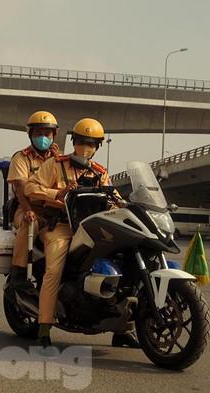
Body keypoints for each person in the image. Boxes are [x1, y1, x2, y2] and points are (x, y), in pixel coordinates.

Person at [25, 117, 138, 352]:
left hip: (94, 228)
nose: (85, 148)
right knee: (53, 270)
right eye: (82, 142)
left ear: (97, 147)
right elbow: (30, 188)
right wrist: (58, 193)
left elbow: (115, 199)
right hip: (63, 226)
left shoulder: (100, 172)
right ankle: (44, 328)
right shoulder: (56, 164)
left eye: (91, 144)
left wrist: (128, 205)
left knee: (125, 265)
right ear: (74, 141)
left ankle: (123, 329)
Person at [6, 111, 60, 291]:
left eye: (47, 134)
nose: (43, 138)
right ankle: (19, 273)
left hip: (54, 211)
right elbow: (21, 188)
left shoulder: (60, 160)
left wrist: (57, 161)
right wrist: (28, 209)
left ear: (54, 136)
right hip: (27, 207)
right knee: (31, 224)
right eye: (38, 134)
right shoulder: (21, 157)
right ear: (30, 135)